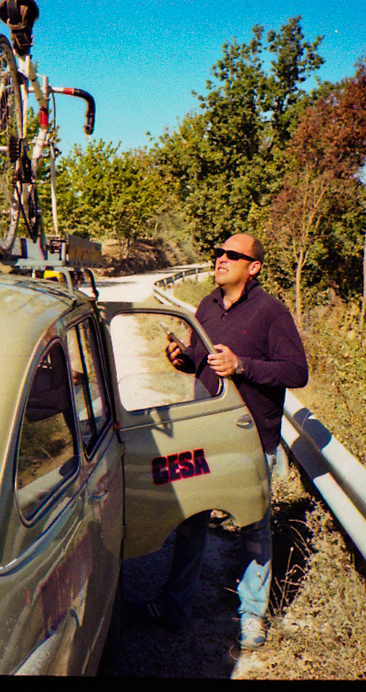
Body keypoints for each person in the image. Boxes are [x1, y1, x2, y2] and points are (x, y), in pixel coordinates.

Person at [137, 232, 308, 649]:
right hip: (204, 435)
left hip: (250, 438)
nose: (221, 259)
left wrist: (242, 366)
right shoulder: (206, 306)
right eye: (219, 253)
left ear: (254, 267)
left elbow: (296, 372)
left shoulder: (271, 312)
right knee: (191, 520)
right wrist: (184, 359)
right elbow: (202, 360)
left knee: (253, 528)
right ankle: (175, 605)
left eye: (232, 255)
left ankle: (252, 617)